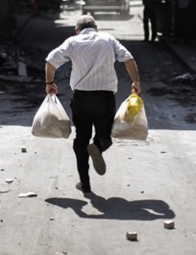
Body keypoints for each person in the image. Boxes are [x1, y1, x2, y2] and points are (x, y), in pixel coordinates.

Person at [44, 15, 141, 194]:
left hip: (81, 98)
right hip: (105, 98)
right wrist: (135, 81)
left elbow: (50, 61)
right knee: (105, 136)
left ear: (77, 29)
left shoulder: (72, 41)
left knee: (81, 139)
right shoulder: (108, 39)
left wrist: (50, 83)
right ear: (96, 28)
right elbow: (128, 58)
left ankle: (85, 183)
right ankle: (97, 146)